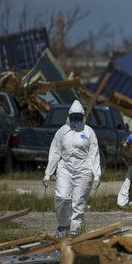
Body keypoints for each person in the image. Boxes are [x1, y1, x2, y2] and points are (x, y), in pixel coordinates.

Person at [43, 100, 101, 238]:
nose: (75, 120)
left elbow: (94, 154)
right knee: (62, 197)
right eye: (73, 117)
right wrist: (48, 173)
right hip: (65, 168)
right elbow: (55, 152)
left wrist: (97, 174)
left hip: (83, 169)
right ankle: (63, 225)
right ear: (69, 116)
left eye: (78, 117)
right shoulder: (62, 132)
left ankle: (74, 233)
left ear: (83, 117)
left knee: (78, 203)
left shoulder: (88, 132)